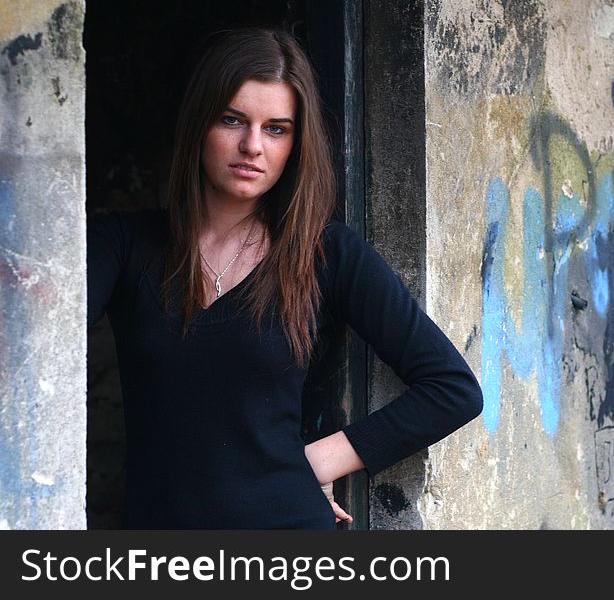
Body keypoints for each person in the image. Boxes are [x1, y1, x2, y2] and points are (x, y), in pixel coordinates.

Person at [87, 27, 483, 529]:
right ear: (198, 124)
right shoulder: (121, 245)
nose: (252, 145)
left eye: (276, 128)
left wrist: (316, 462)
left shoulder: (327, 254)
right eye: (232, 120)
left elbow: (452, 389)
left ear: (296, 143)